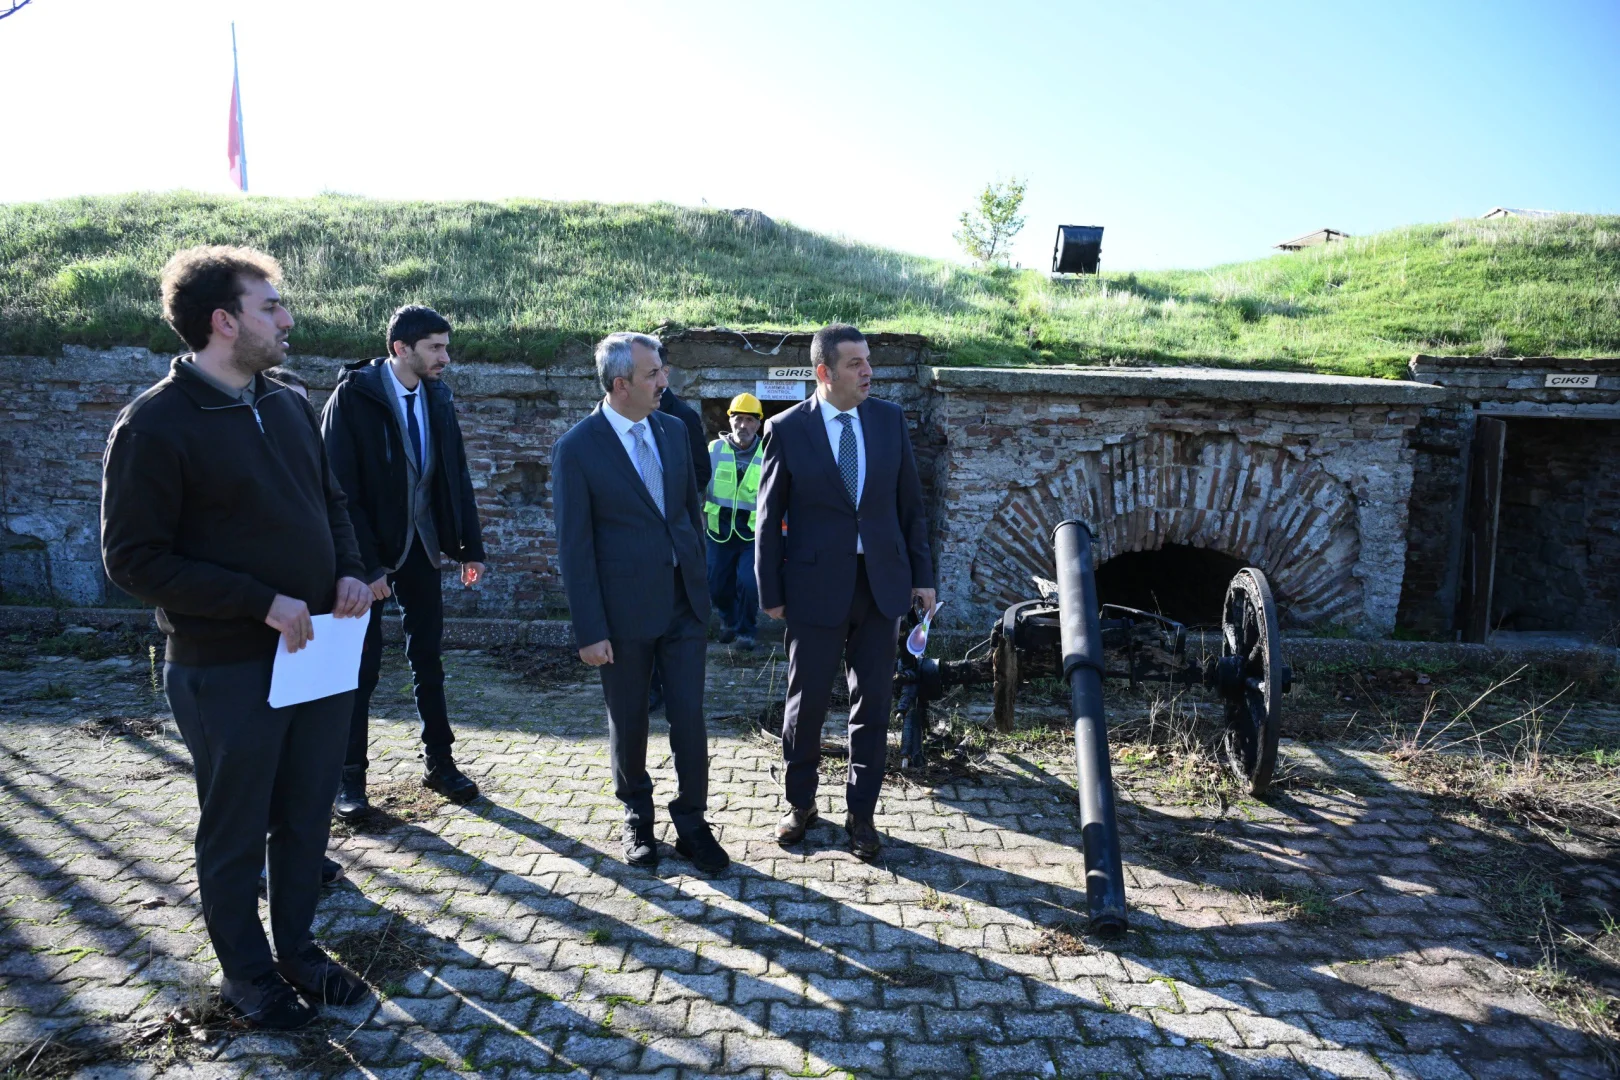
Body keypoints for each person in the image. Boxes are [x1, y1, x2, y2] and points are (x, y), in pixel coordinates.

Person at [101, 246, 374, 1029]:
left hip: (316, 651)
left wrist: (351, 572)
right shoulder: (154, 424)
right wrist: (258, 602)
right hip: (225, 668)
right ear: (224, 322)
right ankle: (246, 976)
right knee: (234, 831)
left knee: (306, 816)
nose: (287, 319)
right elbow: (132, 560)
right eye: (271, 306)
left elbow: (333, 504)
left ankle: (298, 952)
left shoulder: (287, 402)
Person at [756, 324, 936, 859]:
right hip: (812, 588)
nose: (868, 372)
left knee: (873, 705)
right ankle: (800, 805)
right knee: (805, 704)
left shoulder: (889, 420)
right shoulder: (787, 429)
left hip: (882, 585)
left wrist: (923, 578)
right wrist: (771, 590)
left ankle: (862, 815)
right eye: (855, 363)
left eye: (869, 361)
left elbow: (911, 507)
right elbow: (769, 519)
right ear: (824, 372)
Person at [552, 332, 729, 875]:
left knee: (690, 719)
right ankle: (637, 816)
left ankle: (693, 822)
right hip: (622, 615)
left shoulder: (675, 430)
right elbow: (574, 546)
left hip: (683, 606)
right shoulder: (577, 448)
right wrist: (589, 629)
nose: (665, 381)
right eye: (654, 374)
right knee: (628, 721)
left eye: (663, 370)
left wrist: (697, 576)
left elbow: (686, 513)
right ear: (621, 384)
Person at [318, 306, 488, 818]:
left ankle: (440, 762)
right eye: (436, 348)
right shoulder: (354, 397)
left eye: (446, 346)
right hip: (367, 558)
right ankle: (349, 781)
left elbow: (453, 473)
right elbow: (337, 487)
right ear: (401, 349)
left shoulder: (438, 396)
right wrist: (365, 567)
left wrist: (467, 546)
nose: (445, 357)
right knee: (360, 667)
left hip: (423, 547)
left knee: (428, 657)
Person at [703, 393, 765, 649]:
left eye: (750, 420)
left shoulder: (770, 453)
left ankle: (746, 631)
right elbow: (697, 487)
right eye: (738, 419)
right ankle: (727, 620)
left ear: (759, 424)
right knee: (716, 585)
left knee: (749, 584)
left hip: (752, 534)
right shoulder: (712, 450)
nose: (743, 426)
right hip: (718, 531)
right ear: (730, 421)